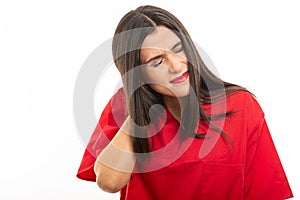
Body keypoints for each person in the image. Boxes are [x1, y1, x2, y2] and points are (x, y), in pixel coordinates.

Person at [76, 5, 293, 199]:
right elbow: (109, 182)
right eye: (157, 61)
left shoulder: (239, 105)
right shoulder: (124, 106)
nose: (177, 66)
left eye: (178, 49)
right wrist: (138, 108)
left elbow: (267, 193)